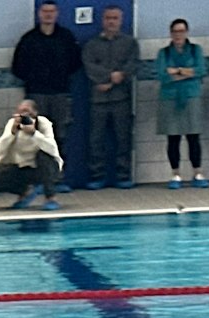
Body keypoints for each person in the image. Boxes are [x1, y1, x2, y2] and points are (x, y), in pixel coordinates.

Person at [12, 2, 81, 191]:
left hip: (60, 93)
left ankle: (58, 178)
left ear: (56, 14)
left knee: (59, 136)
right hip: (36, 95)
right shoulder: (29, 40)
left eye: (51, 12)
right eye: (45, 12)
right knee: (35, 137)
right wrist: (35, 79)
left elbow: (76, 63)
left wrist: (59, 76)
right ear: (39, 14)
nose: (48, 15)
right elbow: (17, 67)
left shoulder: (66, 38)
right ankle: (38, 180)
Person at [81, 5, 138, 189]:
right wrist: (110, 76)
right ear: (103, 20)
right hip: (98, 100)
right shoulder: (92, 45)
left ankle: (123, 175)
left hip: (121, 98)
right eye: (108, 18)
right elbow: (89, 67)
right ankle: (96, 175)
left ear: (120, 20)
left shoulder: (129, 43)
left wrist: (113, 81)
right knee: (96, 139)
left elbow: (132, 65)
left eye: (115, 18)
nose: (111, 21)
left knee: (123, 138)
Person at [156, 20, 209, 187]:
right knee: (173, 138)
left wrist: (176, 71)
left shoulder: (195, 50)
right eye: (175, 31)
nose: (178, 34)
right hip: (170, 99)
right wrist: (188, 72)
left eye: (181, 31)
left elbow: (201, 70)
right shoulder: (164, 53)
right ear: (170, 33)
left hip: (191, 97)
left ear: (186, 32)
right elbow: (162, 75)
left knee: (194, 136)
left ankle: (197, 173)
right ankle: (175, 174)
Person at [0, 99, 63, 210]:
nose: (24, 115)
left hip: (46, 168)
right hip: (23, 167)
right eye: (21, 112)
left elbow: (52, 149)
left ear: (35, 113)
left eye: (27, 112)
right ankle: (24, 191)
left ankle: (51, 197)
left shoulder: (43, 123)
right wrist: (12, 133)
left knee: (43, 156)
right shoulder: (12, 124)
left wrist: (34, 133)